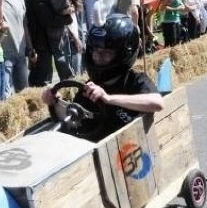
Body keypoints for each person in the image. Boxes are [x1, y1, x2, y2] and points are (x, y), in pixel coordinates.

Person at [41, 14, 163, 142]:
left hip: (127, 146)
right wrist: (55, 102)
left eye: (106, 52)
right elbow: (71, 126)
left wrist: (109, 99)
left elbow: (157, 103)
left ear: (123, 54)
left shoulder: (135, 80)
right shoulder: (89, 88)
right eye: (95, 50)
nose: (98, 56)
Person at [22, 0, 74, 86]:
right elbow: (46, 18)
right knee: (43, 80)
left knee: (41, 77)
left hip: (38, 36)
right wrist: (67, 18)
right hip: (40, 38)